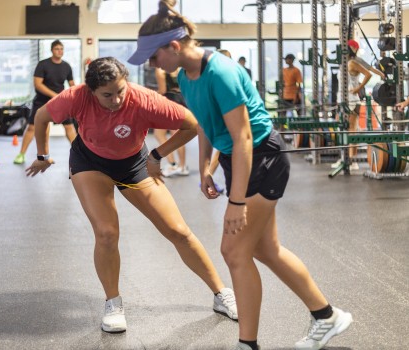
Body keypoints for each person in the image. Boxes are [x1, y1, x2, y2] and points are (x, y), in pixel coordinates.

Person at [128, 1, 353, 349]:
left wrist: (236, 200)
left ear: (173, 47)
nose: (152, 65)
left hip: (263, 158)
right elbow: (203, 122)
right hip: (240, 159)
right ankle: (326, 316)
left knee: (234, 252)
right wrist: (206, 165)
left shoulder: (222, 72)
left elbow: (243, 137)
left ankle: (247, 344)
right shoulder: (187, 77)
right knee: (267, 250)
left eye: (154, 57)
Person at [25, 57, 237, 334]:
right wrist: (42, 156)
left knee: (178, 230)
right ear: (91, 91)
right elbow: (41, 117)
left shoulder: (144, 100)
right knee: (107, 233)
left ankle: (221, 293)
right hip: (90, 162)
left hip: (134, 164)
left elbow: (191, 125)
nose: (116, 100)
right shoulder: (76, 97)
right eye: (107, 95)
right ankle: (113, 303)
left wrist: (158, 154)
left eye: (120, 91)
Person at [14, 40, 77, 164]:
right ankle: (21, 154)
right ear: (52, 50)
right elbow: (37, 84)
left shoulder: (66, 66)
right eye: (57, 49)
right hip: (42, 101)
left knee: (69, 127)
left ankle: (80, 155)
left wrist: (72, 96)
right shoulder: (43, 65)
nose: (60, 51)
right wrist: (55, 96)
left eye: (61, 49)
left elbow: (71, 85)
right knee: (32, 127)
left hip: (61, 102)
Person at [333, 39, 373, 170]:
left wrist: (358, 88)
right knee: (341, 129)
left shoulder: (352, 63)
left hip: (352, 101)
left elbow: (368, 74)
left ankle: (352, 160)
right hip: (343, 100)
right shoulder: (344, 64)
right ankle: (344, 157)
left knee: (351, 131)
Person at [153, 67, 189, 177]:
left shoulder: (160, 70)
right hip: (181, 100)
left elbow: (163, 91)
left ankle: (176, 165)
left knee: (160, 134)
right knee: (177, 135)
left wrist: (152, 95)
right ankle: (179, 166)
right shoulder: (181, 69)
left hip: (168, 102)